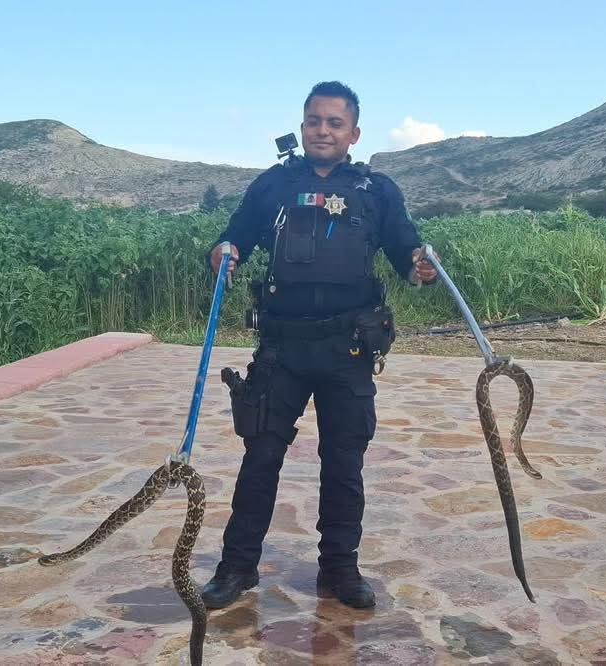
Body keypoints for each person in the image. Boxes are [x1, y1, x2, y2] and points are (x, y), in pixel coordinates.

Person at [202, 81, 438, 609]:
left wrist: (419, 266)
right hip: (281, 350)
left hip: (348, 349)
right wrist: (222, 252)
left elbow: (405, 246)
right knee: (260, 458)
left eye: (334, 122)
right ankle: (237, 568)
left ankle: (339, 569)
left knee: (343, 462)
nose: (322, 130)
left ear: (353, 133)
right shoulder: (272, 186)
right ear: (302, 125)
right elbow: (232, 234)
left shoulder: (379, 191)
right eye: (314, 120)